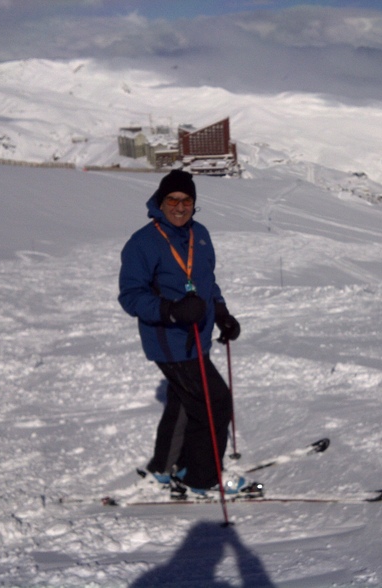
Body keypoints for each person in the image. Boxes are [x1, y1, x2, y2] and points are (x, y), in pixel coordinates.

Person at [118, 169, 243, 495]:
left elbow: (206, 280)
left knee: (184, 403)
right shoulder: (143, 243)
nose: (179, 206)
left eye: (186, 200)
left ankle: (164, 467)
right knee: (216, 404)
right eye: (172, 199)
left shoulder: (199, 234)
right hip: (170, 341)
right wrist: (171, 310)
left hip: (198, 338)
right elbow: (131, 296)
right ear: (161, 202)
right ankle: (200, 477)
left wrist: (221, 313)